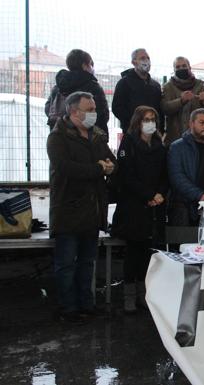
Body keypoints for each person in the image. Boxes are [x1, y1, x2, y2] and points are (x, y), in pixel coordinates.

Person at [47, 91, 116, 323]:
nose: (94, 113)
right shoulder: (58, 137)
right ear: (74, 111)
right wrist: (98, 168)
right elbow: (66, 168)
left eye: (94, 108)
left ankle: (87, 305)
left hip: (92, 209)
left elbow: (110, 160)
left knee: (87, 263)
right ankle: (68, 309)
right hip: (68, 210)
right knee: (66, 264)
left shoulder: (96, 136)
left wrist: (110, 166)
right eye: (89, 109)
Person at [112, 106, 168, 313]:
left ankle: (143, 294)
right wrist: (149, 195)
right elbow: (127, 176)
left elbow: (165, 174)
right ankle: (129, 297)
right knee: (132, 254)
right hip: (133, 206)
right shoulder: (129, 143)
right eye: (146, 119)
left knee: (146, 253)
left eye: (153, 119)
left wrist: (160, 194)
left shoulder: (159, 145)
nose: (150, 123)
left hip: (154, 207)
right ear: (138, 121)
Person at [45, 49, 109, 138]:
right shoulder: (93, 87)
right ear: (84, 66)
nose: (92, 67)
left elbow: (48, 109)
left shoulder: (58, 86)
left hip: (59, 136)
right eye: (90, 64)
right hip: (86, 138)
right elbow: (102, 115)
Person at [161, 57, 204, 146]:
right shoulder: (168, 87)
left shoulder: (201, 86)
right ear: (174, 70)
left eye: (184, 66)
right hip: (174, 138)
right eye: (178, 67)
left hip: (197, 138)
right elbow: (165, 108)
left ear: (189, 67)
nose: (181, 68)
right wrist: (181, 101)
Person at [112, 49, 163, 134]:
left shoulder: (156, 86)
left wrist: (160, 129)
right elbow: (117, 108)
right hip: (132, 132)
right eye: (142, 58)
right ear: (133, 62)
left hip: (153, 132)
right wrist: (135, 122)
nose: (146, 61)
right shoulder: (124, 83)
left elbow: (160, 110)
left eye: (148, 58)